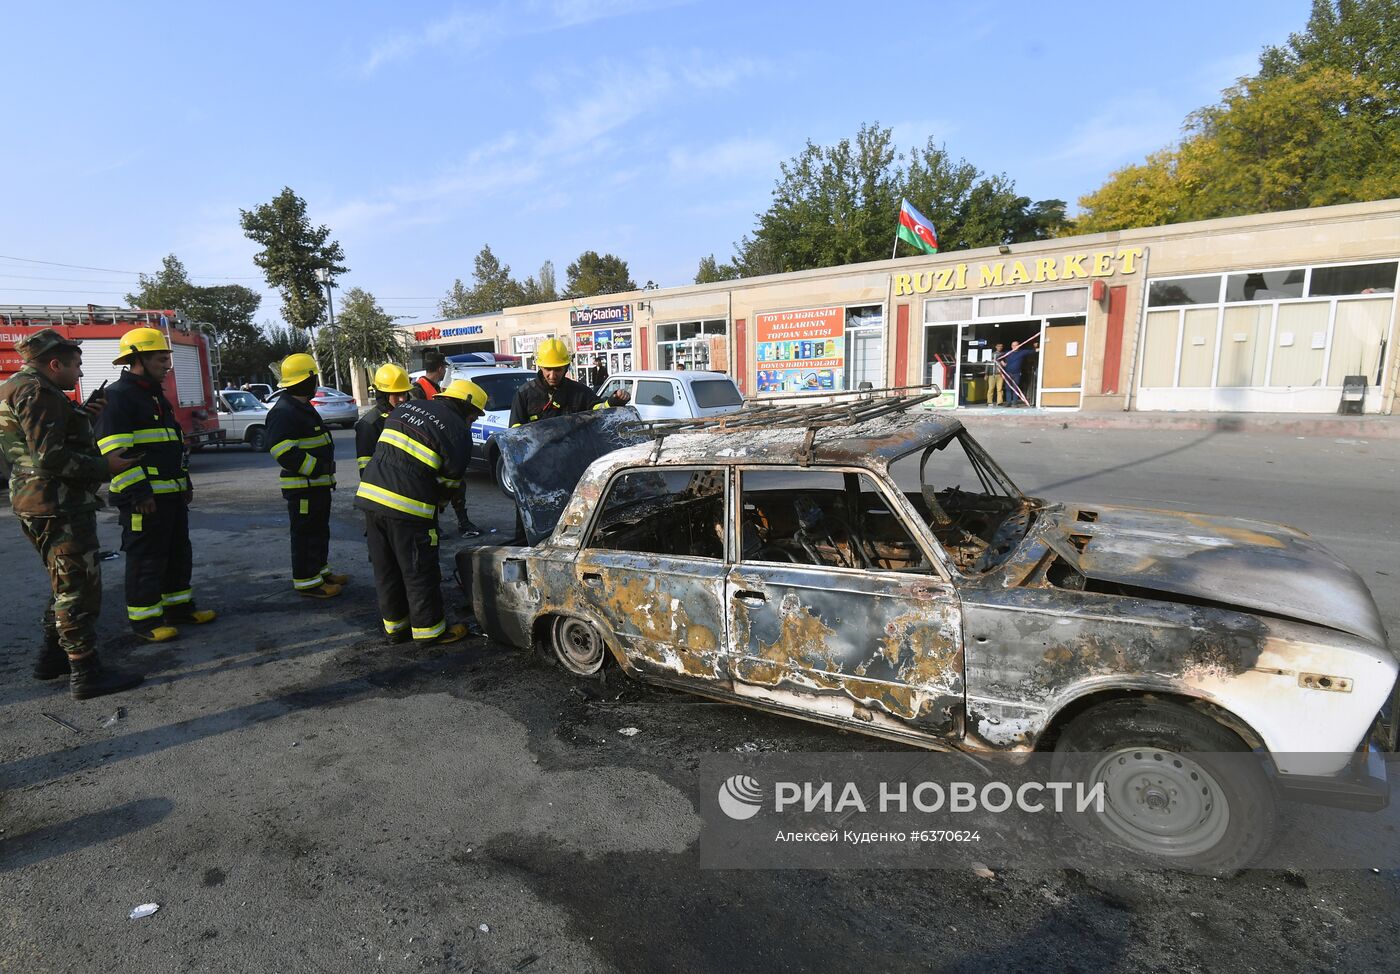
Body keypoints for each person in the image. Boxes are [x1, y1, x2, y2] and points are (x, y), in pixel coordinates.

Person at [0, 329, 144, 698]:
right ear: (54, 364)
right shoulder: (39, 392)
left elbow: (31, 445)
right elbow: (50, 457)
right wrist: (105, 466)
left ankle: (52, 659)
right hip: (57, 503)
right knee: (78, 588)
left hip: (35, 500)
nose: (79, 373)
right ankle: (85, 671)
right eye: (76, 365)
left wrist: (80, 415)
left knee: (63, 582)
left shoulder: (15, 386)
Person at [96, 327, 216, 641]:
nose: (167, 365)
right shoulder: (118, 397)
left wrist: (184, 481)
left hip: (170, 495)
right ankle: (145, 622)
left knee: (178, 554)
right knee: (146, 559)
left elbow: (171, 445)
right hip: (143, 499)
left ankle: (178, 609)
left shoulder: (154, 396)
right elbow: (116, 453)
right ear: (138, 359)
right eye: (161, 359)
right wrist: (139, 492)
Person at [354, 378, 487, 646]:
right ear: (466, 408)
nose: (472, 423)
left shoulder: (405, 409)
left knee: (387, 569)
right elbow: (450, 484)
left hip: (371, 500)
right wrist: (437, 505)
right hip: (409, 510)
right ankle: (430, 631)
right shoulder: (458, 433)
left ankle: (396, 629)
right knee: (419, 571)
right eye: (474, 417)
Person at [506, 337, 631, 543]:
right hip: (538, 471)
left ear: (566, 367)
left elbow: (598, 412)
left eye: (558, 369)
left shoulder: (578, 392)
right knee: (530, 524)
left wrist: (614, 401)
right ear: (539, 366)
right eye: (548, 369)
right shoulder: (525, 394)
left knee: (572, 521)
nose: (552, 374)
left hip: (570, 469)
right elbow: (514, 434)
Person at [266, 353, 348, 598]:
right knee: (305, 535)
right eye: (313, 379)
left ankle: (321, 572)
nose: (316, 384)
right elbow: (283, 452)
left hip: (316, 485)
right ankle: (308, 582)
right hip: (304, 487)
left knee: (319, 531)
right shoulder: (284, 411)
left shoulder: (300, 407)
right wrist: (318, 468)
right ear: (304, 381)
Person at [409, 350, 482, 538]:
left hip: (444, 446)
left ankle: (463, 522)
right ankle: (431, 525)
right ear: (440, 368)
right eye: (444, 369)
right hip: (429, 449)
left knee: (457, 484)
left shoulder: (439, 389)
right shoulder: (418, 390)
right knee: (429, 488)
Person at [355, 363, 413, 472]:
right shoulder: (368, 424)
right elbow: (366, 468)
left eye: (404, 393)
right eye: (396, 394)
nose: (402, 399)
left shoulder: (410, 416)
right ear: (384, 395)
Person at [1002, 340, 1035, 407]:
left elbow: (1033, 351)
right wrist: (1003, 363)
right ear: (1011, 346)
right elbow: (998, 358)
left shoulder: (1022, 352)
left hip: (1017, 374)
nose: (1015, 346)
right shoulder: (1007, 353)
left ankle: (1014, 403)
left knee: (1016, 388)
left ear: (1019, 346)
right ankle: (1008, 402)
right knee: (1008, 388)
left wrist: (1041, 346)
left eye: (1016, 345)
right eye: (1013, 345)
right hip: (1008, 373)